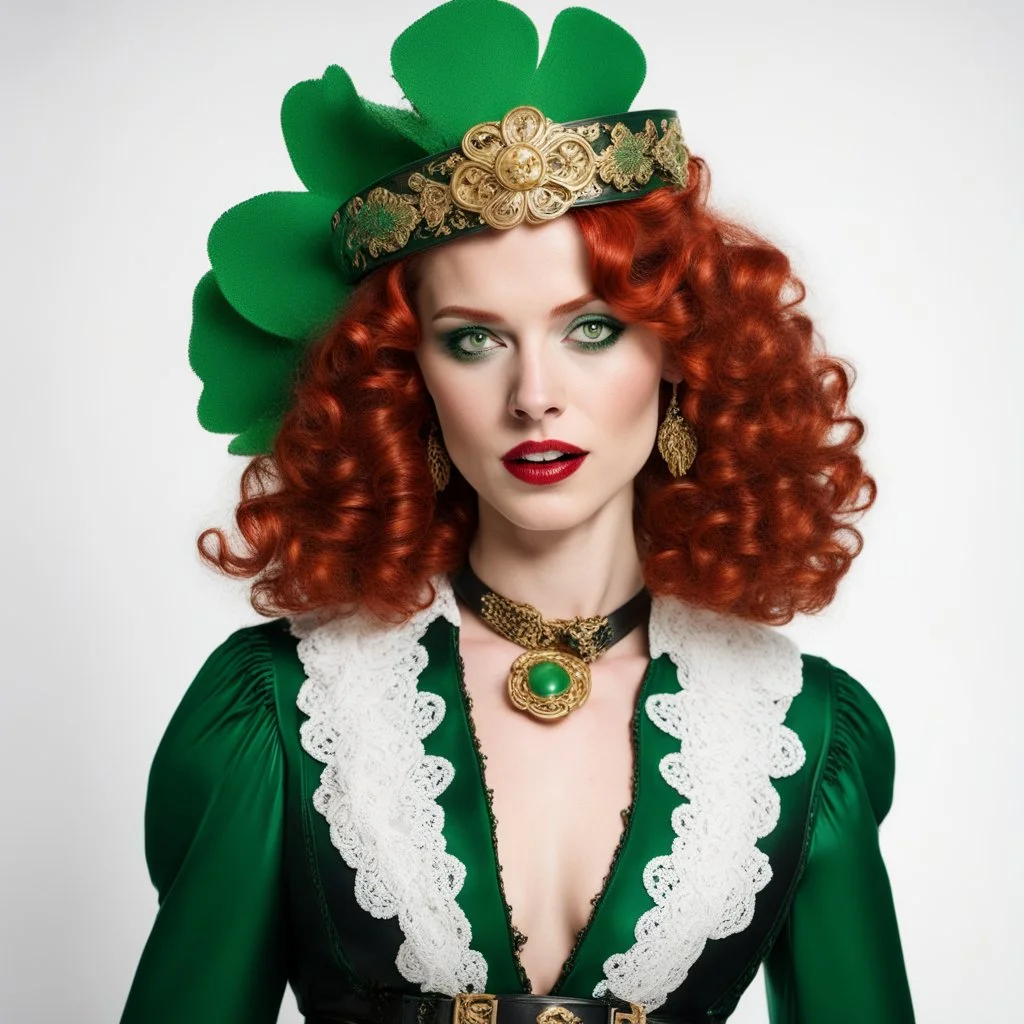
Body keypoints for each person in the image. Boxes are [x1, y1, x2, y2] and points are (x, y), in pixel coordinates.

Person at [121, 1, 915, 1021]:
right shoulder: (284, 711)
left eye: (590, 328)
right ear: (407, 385)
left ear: (677, 358)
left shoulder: (802, 734)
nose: (533, 391)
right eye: (472, 338)